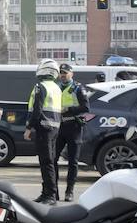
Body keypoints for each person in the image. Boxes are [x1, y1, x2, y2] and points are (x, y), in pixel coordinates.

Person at [24, 59, 62, 204]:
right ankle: (46, 193)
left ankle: (50, 195)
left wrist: (28, 128)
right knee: (50, 162)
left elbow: (37, 110)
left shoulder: (41, 86)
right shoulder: (56, 87)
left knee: (46, 163)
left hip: (44, 128)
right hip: (54, 128)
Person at [53, 64, 92, 202]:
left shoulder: (78, 88)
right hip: (59, 127)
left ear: (71, 74)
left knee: (72, 162)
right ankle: (54, 191)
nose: (62, 75)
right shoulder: (56, 87)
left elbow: (86, 107)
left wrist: (69, 109)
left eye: (65, 73)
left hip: (74, 127)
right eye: (61, 73)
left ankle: (69, 191)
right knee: (52, 159)